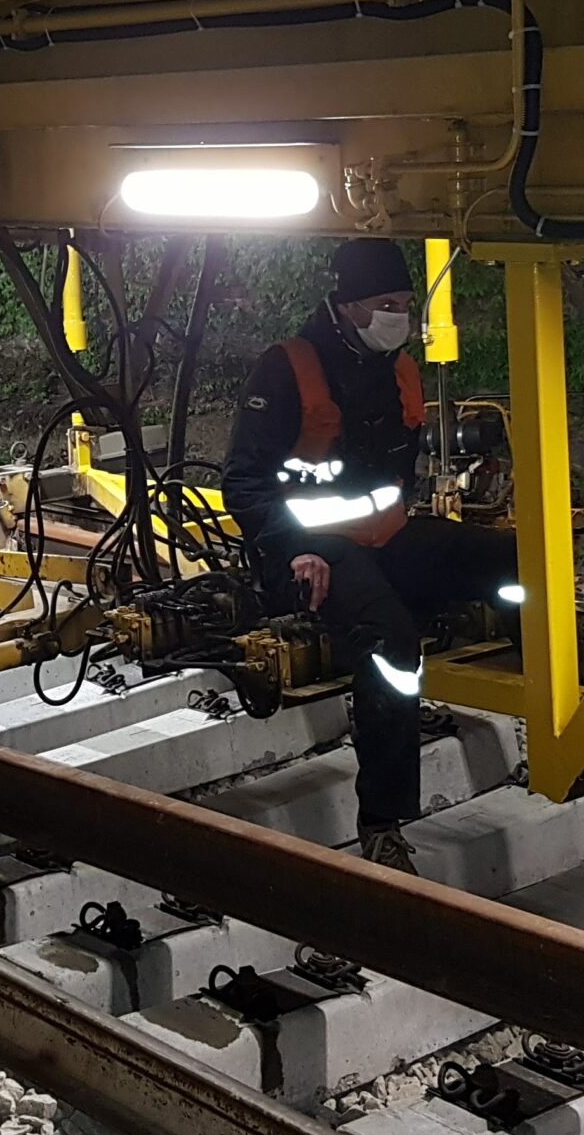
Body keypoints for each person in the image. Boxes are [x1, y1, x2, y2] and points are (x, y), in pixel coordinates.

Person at [223, 237, 534, 873]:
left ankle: (572, 704)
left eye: (405, 301)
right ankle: (383, 825)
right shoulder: (287, 368)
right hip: (310, 558)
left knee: (517, 563)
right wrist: (296, 552)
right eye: (387, 303)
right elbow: (244, 483)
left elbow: (392, 479)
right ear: (347, 305)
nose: (401, 314)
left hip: (386, 539)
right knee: (392, 646)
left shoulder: (396, 369)